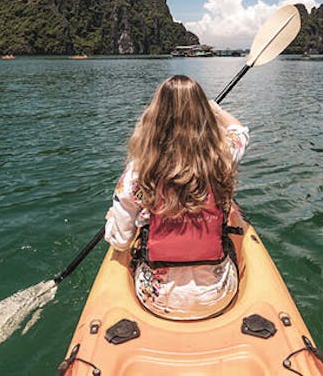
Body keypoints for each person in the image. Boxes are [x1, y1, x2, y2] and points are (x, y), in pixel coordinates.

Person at [104, 75, 250, 320]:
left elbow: (120, 241)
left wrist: (112, 220)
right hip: (216, 296)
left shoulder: (137, 173)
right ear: (203, 115)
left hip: (157, 299)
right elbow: (240, 132)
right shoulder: (223, 157)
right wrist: (216, 110)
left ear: (155, 117)